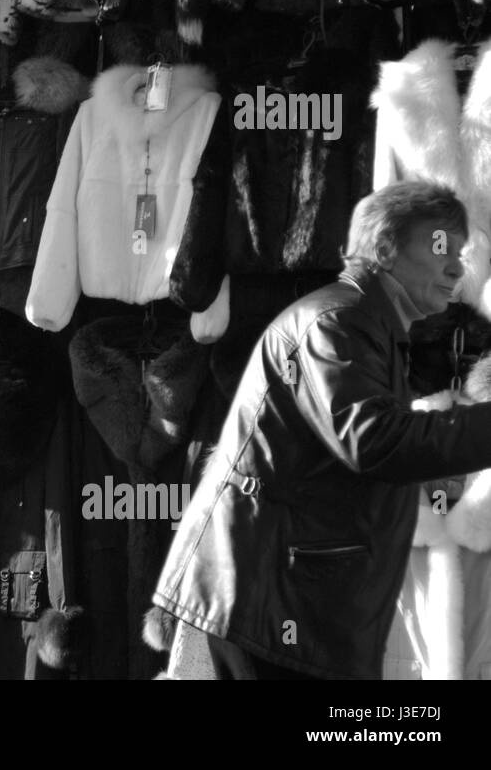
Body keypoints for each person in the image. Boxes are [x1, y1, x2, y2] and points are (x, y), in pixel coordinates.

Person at [152, 181, 491, 679]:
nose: (457, 267)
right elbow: (375, 441)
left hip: (281, 595)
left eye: (460, 252)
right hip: (270, 601)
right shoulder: (338, 321)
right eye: (440, 246)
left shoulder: (367, 323)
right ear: (383, 249)